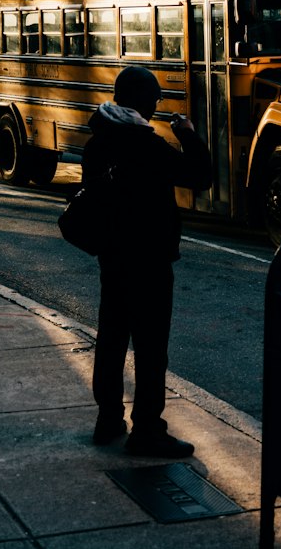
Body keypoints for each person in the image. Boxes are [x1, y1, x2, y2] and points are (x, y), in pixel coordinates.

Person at [82, 65, 212, 458]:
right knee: (151, 347)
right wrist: (188, 134)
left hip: (113, 257)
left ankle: (108, 418)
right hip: (149, 260)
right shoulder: (145, 144)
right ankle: (147, 430)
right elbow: (200, 176)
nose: (156, 106)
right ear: (141, 101)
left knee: (112, 338)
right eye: (154, 99)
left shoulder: (98, 142)